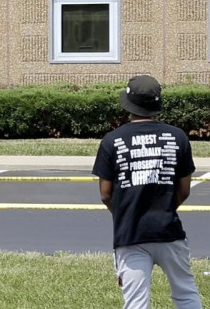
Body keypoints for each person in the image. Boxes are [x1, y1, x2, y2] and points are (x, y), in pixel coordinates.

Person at [92, 75, 202, 309]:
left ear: (128, 104)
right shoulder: (178, 137)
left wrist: (123, 212)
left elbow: (105, 193)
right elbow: (184, 190)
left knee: (136, 303)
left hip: (130, 234)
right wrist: (165, 208)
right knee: (185, 292)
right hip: (168, 231)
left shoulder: (112, 141)